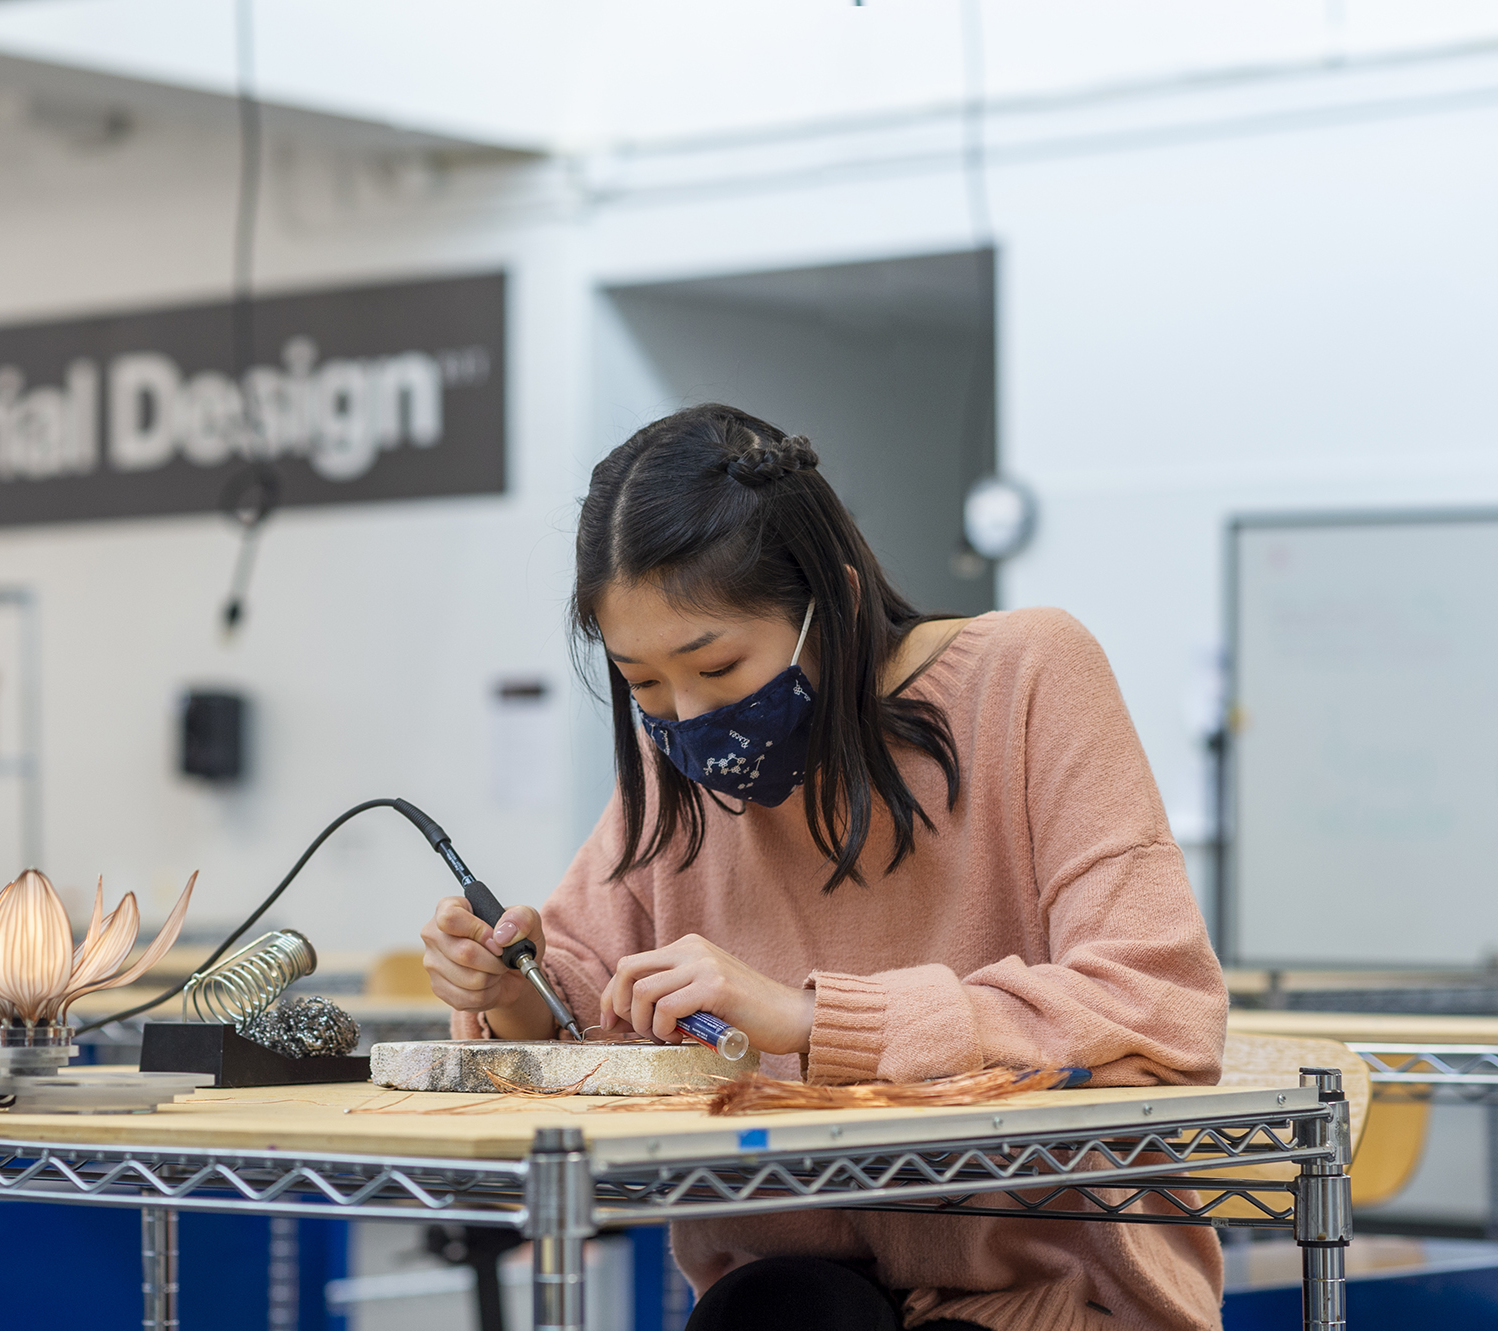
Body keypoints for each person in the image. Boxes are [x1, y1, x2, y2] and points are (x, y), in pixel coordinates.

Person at [420, 404, 1228, 1331]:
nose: (686, 718)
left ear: (835, 605)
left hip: (1057, 1294)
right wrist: (510, 986)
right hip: (794, 1296)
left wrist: (812, 1018)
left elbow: (1155, 1006)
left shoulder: (1031, 673)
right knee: (770, 1311)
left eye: (717, 667)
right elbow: (580, 986)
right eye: (641, 683)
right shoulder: (672, 762)